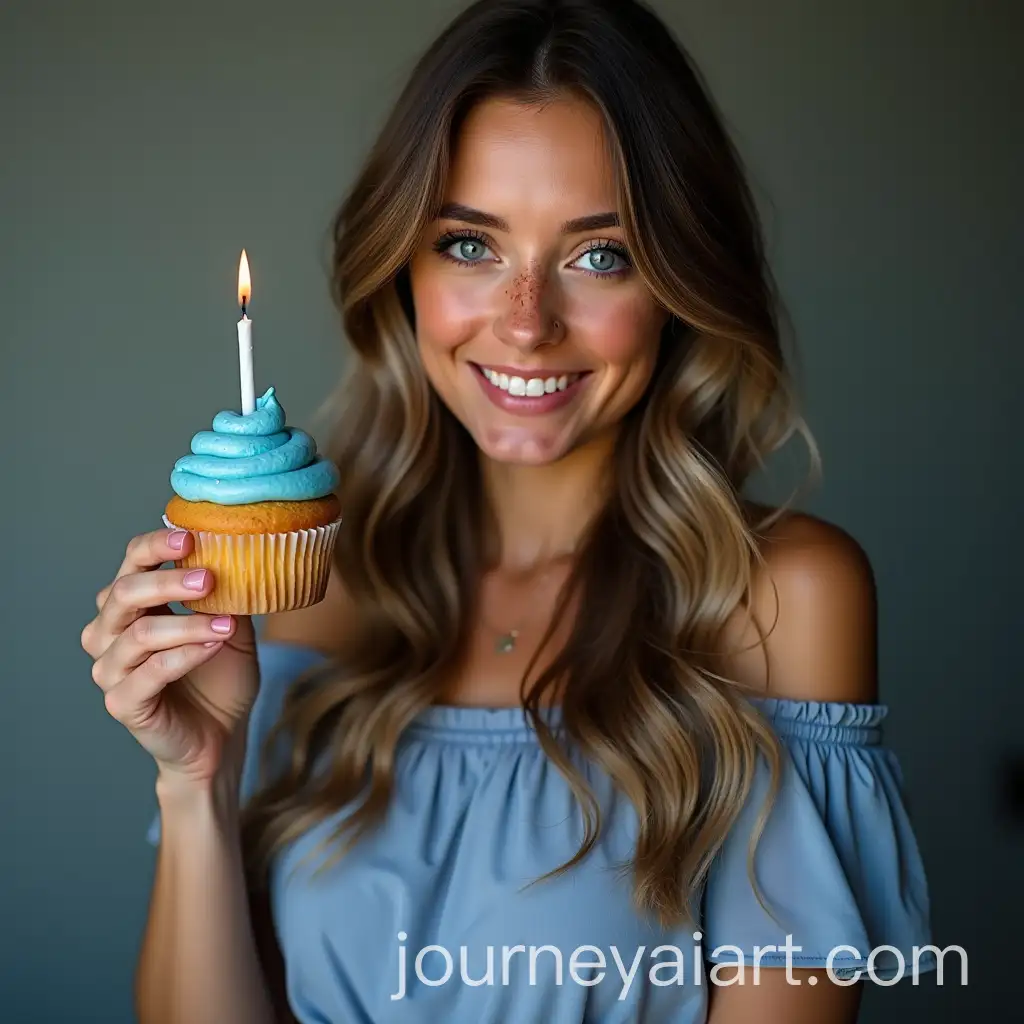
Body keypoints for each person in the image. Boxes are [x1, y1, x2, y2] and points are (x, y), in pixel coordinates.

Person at [80, 1, 935, 1021]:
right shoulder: (315, 595)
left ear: (679, 280)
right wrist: (198, 784)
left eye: (598, 255)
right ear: (404, 268)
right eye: (470, 246)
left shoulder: (784, 597)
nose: (526, 325)